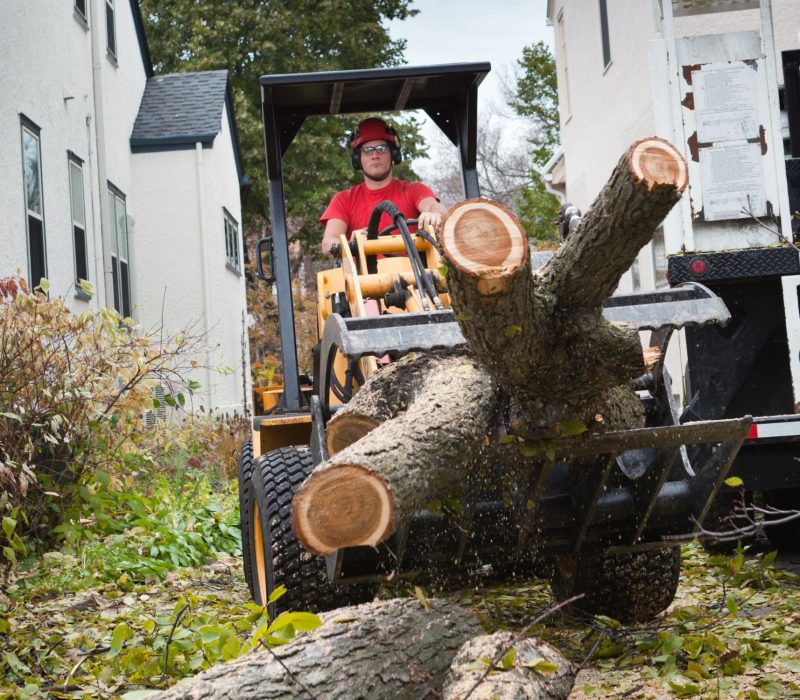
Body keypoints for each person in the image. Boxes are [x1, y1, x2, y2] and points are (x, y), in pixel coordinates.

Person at [320, 117, 448, 257]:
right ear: (357, 159)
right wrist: (350, 245)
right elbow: (328, 244)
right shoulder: (343, 200)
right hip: (363, 278)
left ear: (393, 154)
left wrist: (435, 215)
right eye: (367, 150)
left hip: (418, 277)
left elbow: (435, 208)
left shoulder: (414, 190)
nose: (375, 155)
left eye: (381, 149)